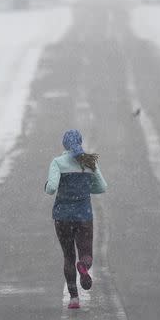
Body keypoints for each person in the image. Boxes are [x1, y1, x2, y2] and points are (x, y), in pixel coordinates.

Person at [45, 129, 107, 309]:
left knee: (68, 255)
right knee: (85, 253)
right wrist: (86, 190)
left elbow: (51, 189)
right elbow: (102, 187)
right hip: (83, 215)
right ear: (80, 142)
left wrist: (47, 186)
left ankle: (74, 298)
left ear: (64, 144)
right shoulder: (89, 161)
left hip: (62, 217)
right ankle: (84, 267)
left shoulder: (57, 162)